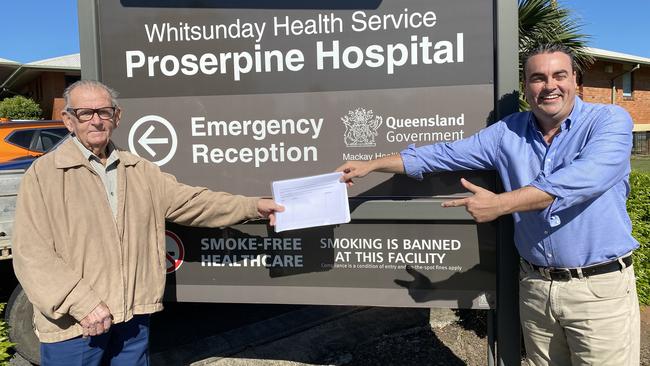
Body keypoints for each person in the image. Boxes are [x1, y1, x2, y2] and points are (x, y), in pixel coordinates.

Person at [337, 43, 639, 365]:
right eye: (537, 78)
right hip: (536, 288)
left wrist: (501, 204)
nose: (549, 85)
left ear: (575, 80)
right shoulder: (508, 133)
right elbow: (443, 154)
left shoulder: (609, 121)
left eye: (559, 75)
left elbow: (584, 178)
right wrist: (372, 164)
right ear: (526, 86)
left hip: (599, 290)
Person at [12, 80, 284, 365]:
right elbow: (31, 253)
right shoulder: (45, 175)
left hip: (132, 315)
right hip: (75, 324)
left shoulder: (139, 170)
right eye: (85, 113)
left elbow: (194, 202)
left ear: (116, 117)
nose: (96, 121)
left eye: (103, 112)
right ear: (69, 120)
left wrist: (253, 205)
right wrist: (82, 303)